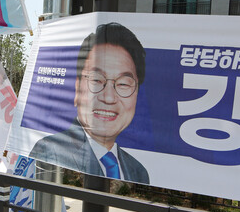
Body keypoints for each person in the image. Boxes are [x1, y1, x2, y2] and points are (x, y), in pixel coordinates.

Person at [29, 22, 150, 184]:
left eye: (123, 84)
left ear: (136, 94)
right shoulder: (51, 151)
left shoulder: (138, 171)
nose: (108, 98)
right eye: (96, 80)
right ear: (77, 87)